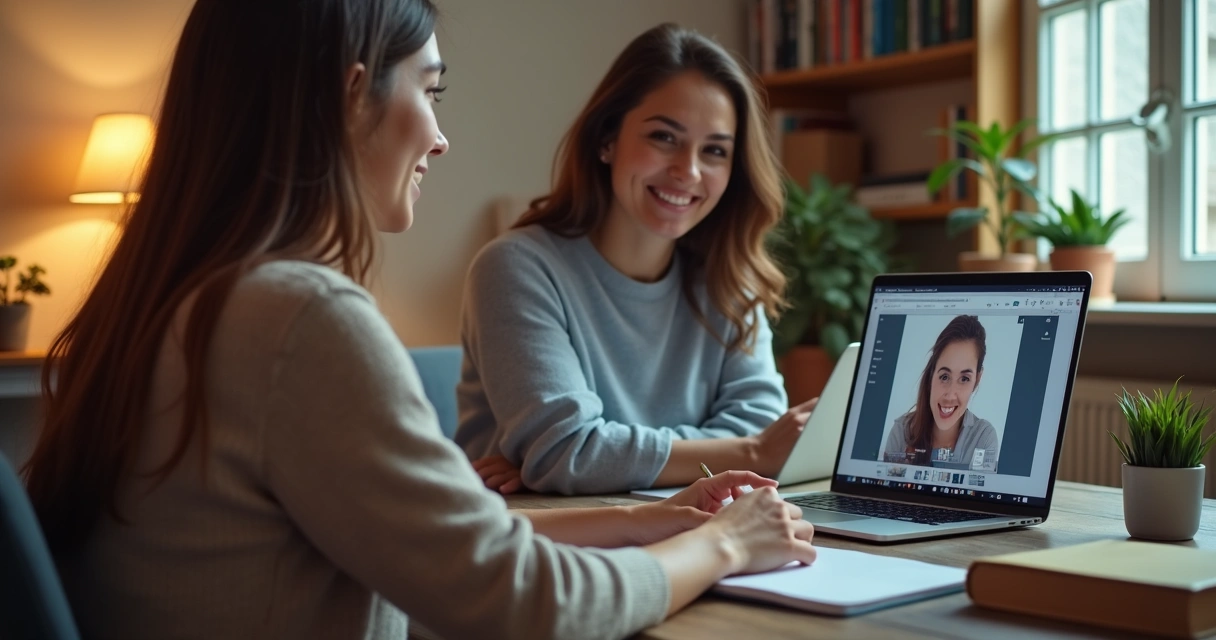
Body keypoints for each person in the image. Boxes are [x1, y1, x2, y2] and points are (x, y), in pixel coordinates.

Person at [18, 3, 818, 639]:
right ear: (351, 92)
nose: (440, 136)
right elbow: (524, 604)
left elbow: (445, 543)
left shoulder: (177, 301)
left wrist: (648, 519)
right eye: (430, 92)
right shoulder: (300, 320)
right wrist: (722, 544)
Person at [455, 23, 817, 496]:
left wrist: (596, 455)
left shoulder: (730, 280)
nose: (687, 171)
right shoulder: (516, 268)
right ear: (607, 139)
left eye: (714, 150)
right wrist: (745, 453)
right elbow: (567, 452)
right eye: (664, 137)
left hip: (692, 527)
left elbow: (760, 427)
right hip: (547, 546)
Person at [882, 315, 1000, 471]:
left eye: (964, 378)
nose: (950, 395)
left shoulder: (983, 437)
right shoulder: (902, 430)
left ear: (977, 380)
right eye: (945, 376)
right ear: (932, 373)